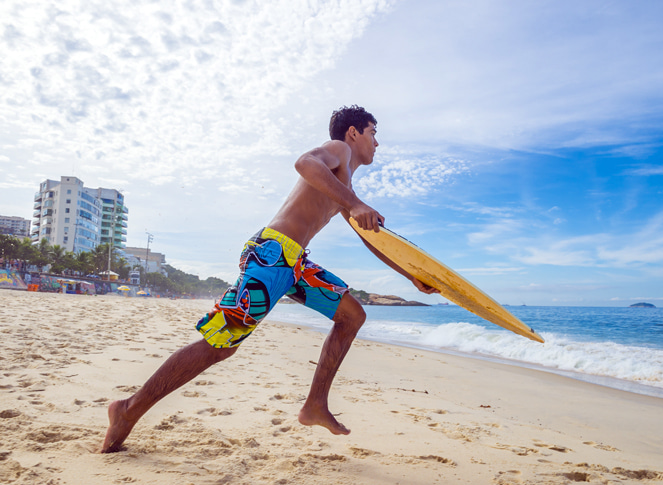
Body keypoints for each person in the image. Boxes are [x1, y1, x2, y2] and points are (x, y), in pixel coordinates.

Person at [102, 105, 438, 453]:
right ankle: (128, 409)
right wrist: (354, 202)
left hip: (293, 263)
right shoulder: (338, 151)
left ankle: (315, 405)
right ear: (353, 133)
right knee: (221, 345)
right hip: (273, 255)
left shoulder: (344, 186)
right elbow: (304, 163)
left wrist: (410, 275)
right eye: (373, 132)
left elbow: (369, 237)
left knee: (352, 315)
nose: (377, 143)